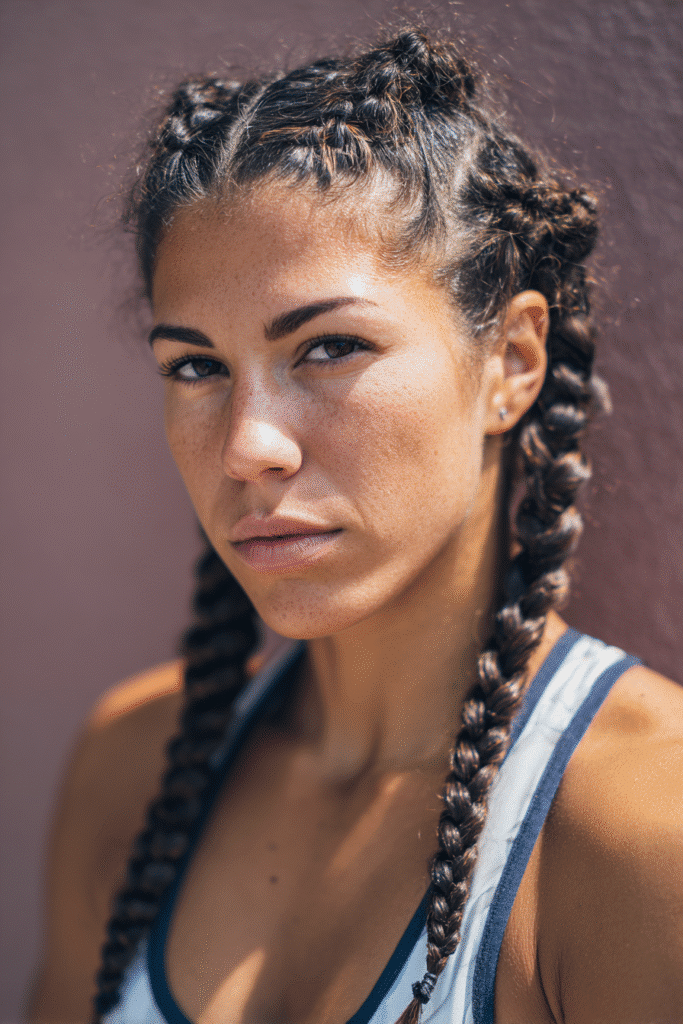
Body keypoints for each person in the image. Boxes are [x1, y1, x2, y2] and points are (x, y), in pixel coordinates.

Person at [28, 27, 683, 1024]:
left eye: (329, 346)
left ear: (510, 361)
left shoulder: (641, 829)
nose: (247, 446)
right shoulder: (131, 769)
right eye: (196, 366)